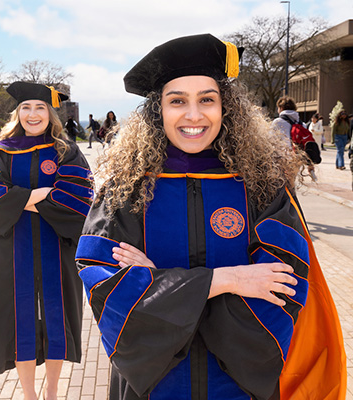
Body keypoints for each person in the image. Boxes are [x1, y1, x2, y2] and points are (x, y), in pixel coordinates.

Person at [75, 34, 346, 400]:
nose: (193, 114)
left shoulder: (263, 189)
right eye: (177, 101)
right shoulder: (125, 192)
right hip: (153, 387)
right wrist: (226, 280)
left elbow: (284, 288)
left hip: (237, 387)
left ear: (226, 107)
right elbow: (107, 291)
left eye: (207, 99)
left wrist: (159, 286)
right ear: (158, 111)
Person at [0, 81, 93, 400]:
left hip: (55, 248)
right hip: (12, 250)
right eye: (26, 108)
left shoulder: (66, 149)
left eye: (40, 108)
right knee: (20, 321)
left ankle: (51, 391)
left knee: (56, 320)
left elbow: (78, 196)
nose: (33, 114)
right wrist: (39, 195)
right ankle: (29, 394)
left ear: (50, 114)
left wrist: (18, 199)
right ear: (17, 113)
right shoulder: (1, 151)